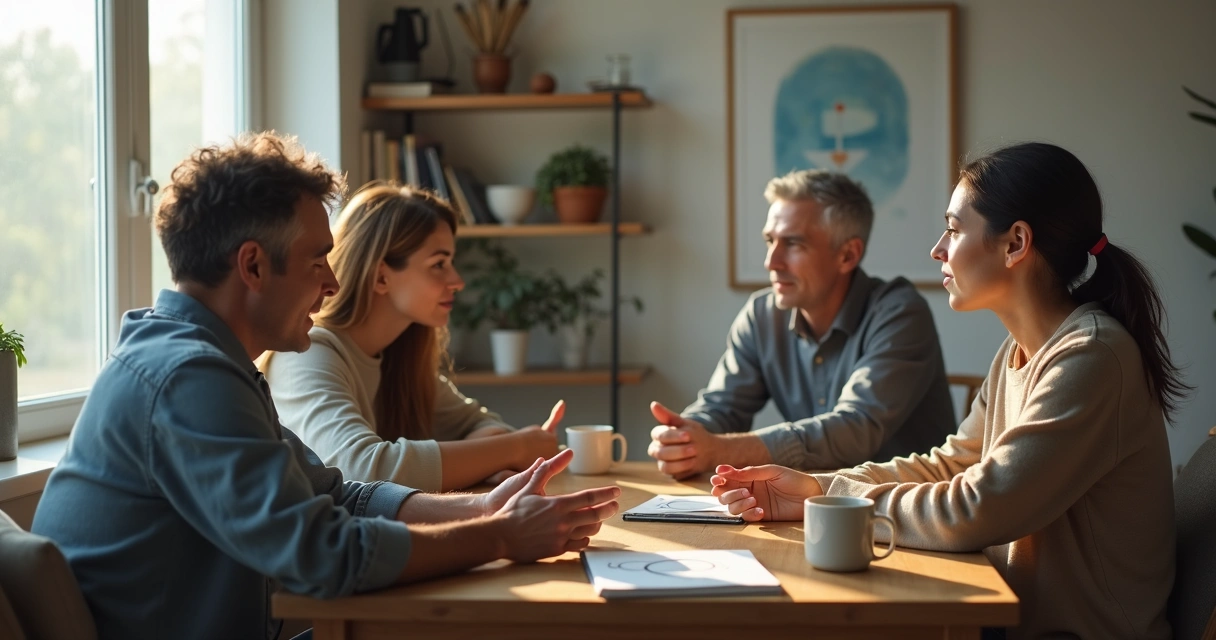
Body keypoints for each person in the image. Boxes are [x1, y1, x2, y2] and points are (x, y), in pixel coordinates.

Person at [31, 132, 620, 640]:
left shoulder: (209, 362)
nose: (334, 283)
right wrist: (498, 537)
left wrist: (481, 506)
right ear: (254, 266)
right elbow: (323, 554)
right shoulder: (186, 376)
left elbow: (337, 494)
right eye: (318, 261)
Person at [713, 143, 1184, 639]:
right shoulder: (1020, 351)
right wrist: (818, 488)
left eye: (955, 229)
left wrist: (838, 496)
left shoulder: (1091, 357)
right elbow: (952, 464)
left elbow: (977, 508)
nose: (938, 248)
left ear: (1015, 243)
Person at [648, 169, 956, 479]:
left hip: (906, 510)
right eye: (770, 240)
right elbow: (722, 408)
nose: (771, 262)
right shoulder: (762, 316)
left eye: (793, 244)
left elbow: (856, 429)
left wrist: (720, 450)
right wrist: (684, 439)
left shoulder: (900, 313)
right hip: (806, 504)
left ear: (848, 255)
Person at [262, 185, 556, 491]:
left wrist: (489, 461)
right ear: (381, 276)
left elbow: (482, 424)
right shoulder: (308, 353)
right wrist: (516, 448)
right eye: (439, 264)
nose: (457, 281)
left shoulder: (397, 357)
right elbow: (359, 468)